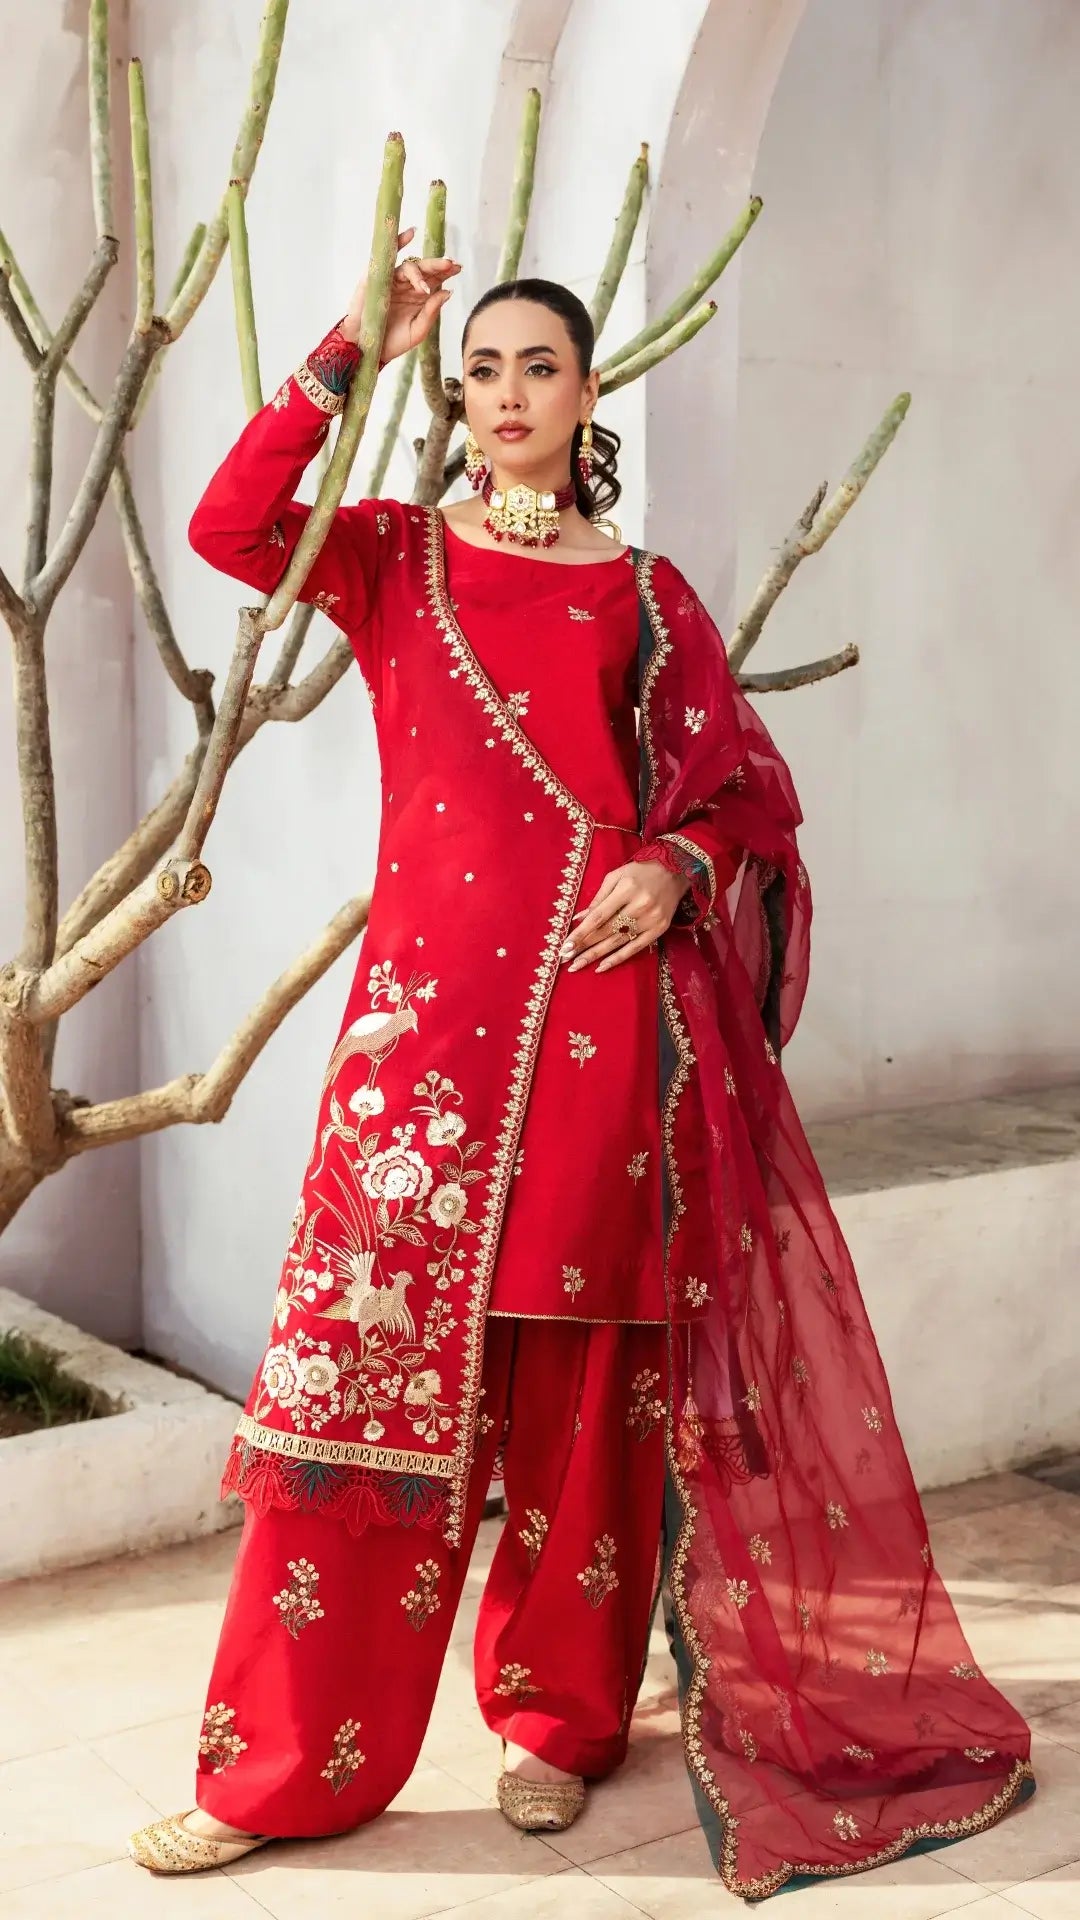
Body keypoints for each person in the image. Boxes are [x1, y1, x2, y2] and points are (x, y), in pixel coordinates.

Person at [129, 232, 1034, 1895]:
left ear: (588, 391)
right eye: (478, 370)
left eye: (536, 366)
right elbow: (229, 527)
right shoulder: (393, 557)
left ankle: (558, 1725)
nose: (506, 395)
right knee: (355, 1396)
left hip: (605, 1026)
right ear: (453, 394)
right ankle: (274, 1767)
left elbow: (743, 794)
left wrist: (674, 867)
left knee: (583, 1398)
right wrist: (349, 342)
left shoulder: (646, 593)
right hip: (424, 1049)